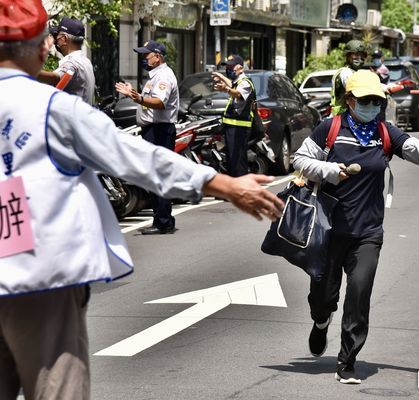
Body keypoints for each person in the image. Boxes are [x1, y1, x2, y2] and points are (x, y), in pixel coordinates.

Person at [0, 2, 283, 399]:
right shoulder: (54, 109)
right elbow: (134, 158)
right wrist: (225, 185)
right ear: (44, 47)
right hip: (40, 282)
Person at [293, 69, 419, 384]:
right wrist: (331, 170)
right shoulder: (330, 128)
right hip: (329, 230)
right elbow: (300, 160)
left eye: (376, 100)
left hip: (368, 234)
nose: (372, 105)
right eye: (365, 100)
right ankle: (321, 322)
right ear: (349, 100)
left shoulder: (385, 133)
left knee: (359, 296)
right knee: (322, 297)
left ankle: (347, 360)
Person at [115, 40, 179, 235]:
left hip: (160, 131)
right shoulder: (155, 76)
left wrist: (137, 97)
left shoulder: (164, 77)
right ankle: (161, 219)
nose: (144, 59)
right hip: (153, 130)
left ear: (157, 56)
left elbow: (159, 102)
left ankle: (163, 221)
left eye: (146, 55)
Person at [212, 54, 256, 177]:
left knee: (238, 161)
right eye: (227, 67)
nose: (229, 70)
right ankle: (233, 191)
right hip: (232, 128)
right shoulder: (238, 81)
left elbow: (237, 93)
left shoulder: (245, 83)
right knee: (232, 159)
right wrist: (221, 76)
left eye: (231, 67)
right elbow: (232, 84)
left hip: (239, 128)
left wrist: (225, 89)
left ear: (240, 68)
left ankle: (241, 190)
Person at [37, 17, 95, 104]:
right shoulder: (86, 61)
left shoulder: (72, 63)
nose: (55, 40)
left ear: (64, 39)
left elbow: (54, 77)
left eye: (57, 36)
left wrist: (26, 70)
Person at [331, 39, 367, 115]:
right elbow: (355, 90)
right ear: (348, 56)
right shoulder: (345, 72)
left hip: (351, 115)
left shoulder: (355, 72)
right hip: (342, 117)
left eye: (362, 55)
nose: (359, 58)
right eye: (356, 55)